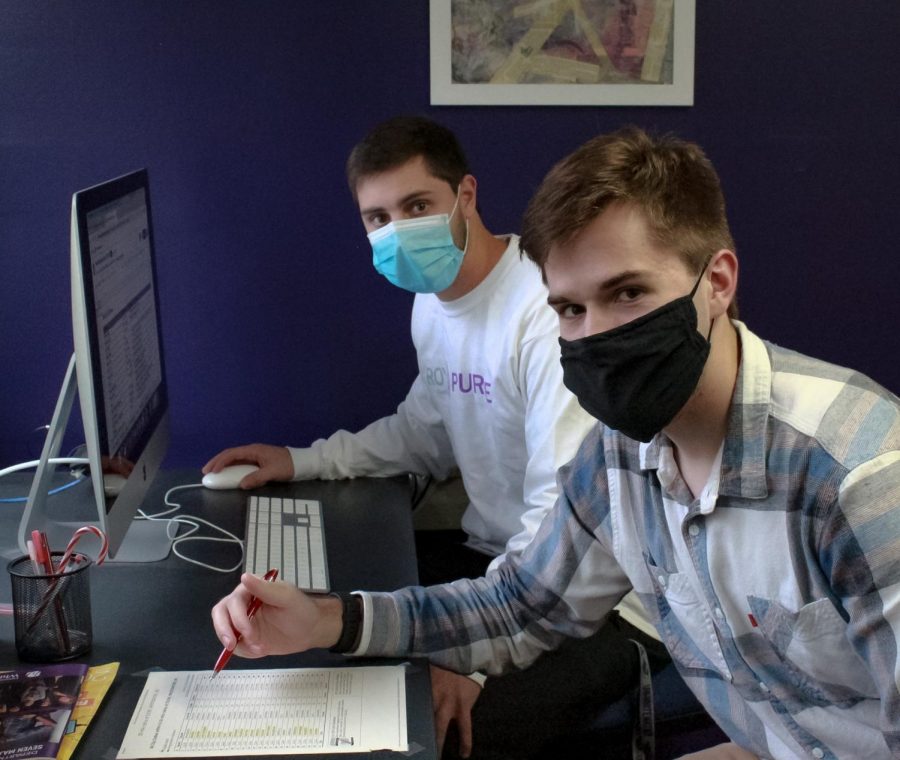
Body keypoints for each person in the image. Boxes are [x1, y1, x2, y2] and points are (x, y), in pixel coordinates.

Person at [212, 125, 900, 759]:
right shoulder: (619, 456)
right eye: (570, 308)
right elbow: (517, 605)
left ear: (716, 282)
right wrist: (325, 620)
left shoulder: (858, 478)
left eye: (627, 293)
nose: (596, 333)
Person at [204, 116, 664, 759]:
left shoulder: (548, 309)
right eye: (378, 217)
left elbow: (563, 514)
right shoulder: (435, 301)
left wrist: (474, 657)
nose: (398, 230)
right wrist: (304, 460)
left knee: (423, 729)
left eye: (417, 205)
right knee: (335, 646)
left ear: (465, 197)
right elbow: (425, 430)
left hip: (601, 602)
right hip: (498, 567)